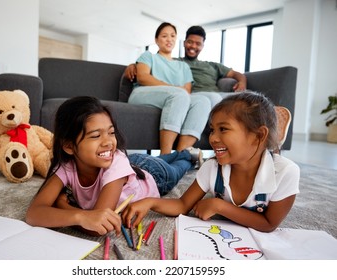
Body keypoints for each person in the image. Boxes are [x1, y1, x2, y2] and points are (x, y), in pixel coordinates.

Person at [122, 92, 300, 233]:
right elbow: (182, 205)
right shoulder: (212, 167)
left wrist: (220, 206)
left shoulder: (286, 172)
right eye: (212, 130)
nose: (213, 138)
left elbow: (268, 223)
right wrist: (150, 202)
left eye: (223, 129)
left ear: (259, 135)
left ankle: (275, 142)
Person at [25, 96, 197, 236]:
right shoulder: (67, 166)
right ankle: (180, 155)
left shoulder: (116, 164)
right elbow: (34, 214)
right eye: (95, 136)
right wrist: (79, 216)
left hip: (154, 175)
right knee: (163, 158)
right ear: (69, 146)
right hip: (131, 164)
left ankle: (187, 155)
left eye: (111, 132)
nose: (108, 141)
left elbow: (96, 228)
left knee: (178, 168)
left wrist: (64, 206)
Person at [127, 22, 211, 155]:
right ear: (156, 40)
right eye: (164, 36)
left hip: (174, 98)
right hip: (142, 94)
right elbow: (143, 77)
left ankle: (178, 155)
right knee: (179, 94)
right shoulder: (149, 56)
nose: (169, 39)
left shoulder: (183, 66)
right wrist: (174, 88)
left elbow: (187, 91)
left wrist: (176, 91)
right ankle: (165, 156)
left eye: (172, 36)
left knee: (203, 101)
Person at [125, 25, 247, 108]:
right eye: (190, 42)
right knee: (216, 99)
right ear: (184, 43)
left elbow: (236, 74)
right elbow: (157, 62)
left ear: (203, 46)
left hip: (217, 96)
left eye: (198, 44)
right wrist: (133, 65)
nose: (193, 46)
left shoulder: (212, 66)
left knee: (248, 99)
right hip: (195, 97)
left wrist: (242, 82)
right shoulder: (176, 63)